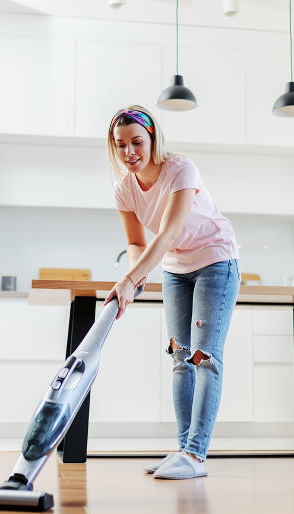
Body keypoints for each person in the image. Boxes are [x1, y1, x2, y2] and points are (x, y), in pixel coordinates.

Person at [104, 105, 241, 480]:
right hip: (176, 269)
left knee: (204, 356)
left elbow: (166, 232)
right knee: (180, 357)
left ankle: (196, 456)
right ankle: (183, 450)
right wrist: (134, 276)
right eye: (120, 145)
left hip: (216, 260)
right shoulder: (124, 190)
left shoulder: (181, 170)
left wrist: (132, 280)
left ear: (152, 140)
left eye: (136, 142)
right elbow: (136, 242)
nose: (129, 152)